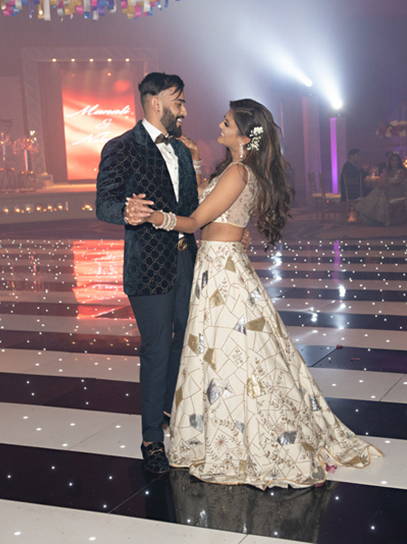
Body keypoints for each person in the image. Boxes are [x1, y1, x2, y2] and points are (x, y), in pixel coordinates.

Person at [129, 99, 382, 489]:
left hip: (224, 271)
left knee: (231, 354)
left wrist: (154, 217)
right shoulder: (232, 170)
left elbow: (196, 219)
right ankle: (224, 428)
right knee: (223, 352)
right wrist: (196, 163)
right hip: (217, 266)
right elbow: (205, 203)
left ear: (244, 136)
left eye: (226, 122)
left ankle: (239, 433)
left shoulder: (238, 172)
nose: (219, 123)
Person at [95, 72, 201, 474]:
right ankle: (151, 440)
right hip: (149, 267)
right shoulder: (121, 147)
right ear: (156, 103)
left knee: (185, 340)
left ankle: (170, 407)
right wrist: (124, 210)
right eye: (180, 102)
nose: (185, 110)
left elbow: (190, 208)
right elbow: (103, 202)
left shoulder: (181, 151)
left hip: (185, 261)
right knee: (156, 347)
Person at [356, 152, 407, 226]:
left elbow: (397, 182)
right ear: (390, 162)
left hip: (398, 191)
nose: (394, 162)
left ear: (399, 161)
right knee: (379, 192)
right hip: (388, 190)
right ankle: (378, 218)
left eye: (396, 160)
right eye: (392, 160)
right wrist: (384, 176)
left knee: (380, 192)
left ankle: (367, 210)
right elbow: (383, 183)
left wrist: (386, 186)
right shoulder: (388, 172)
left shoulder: (402, 171)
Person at [339, 148, 367, 222]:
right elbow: (356, 177)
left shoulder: (350, 166)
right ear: (351, 157)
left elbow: (357, 175)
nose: (359, 158)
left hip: (351, 191)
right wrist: (364, 170)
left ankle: (363, 214)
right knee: (374, 191)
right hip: (353, 192)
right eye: (357, 156)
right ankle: (367, 214)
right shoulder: (348, 166)